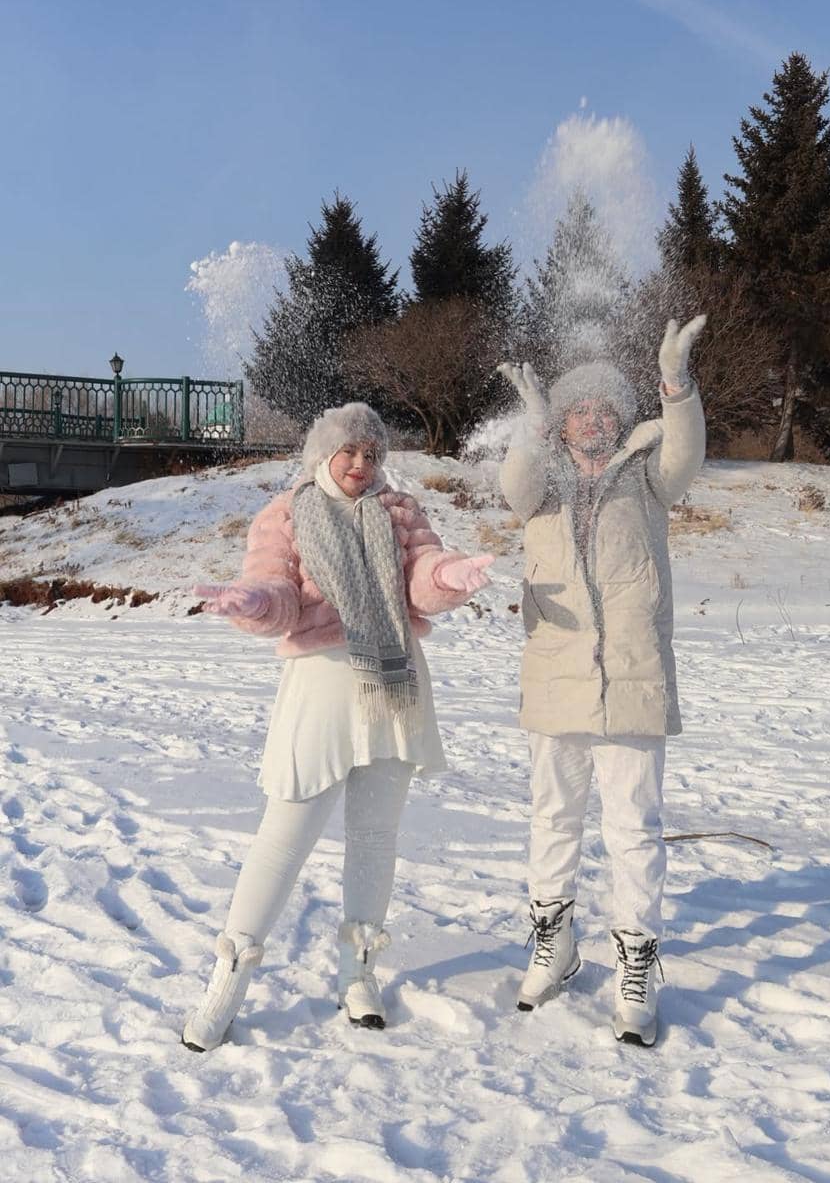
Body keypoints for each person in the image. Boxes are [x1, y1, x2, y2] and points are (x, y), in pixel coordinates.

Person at [182, 402, 493, 1051]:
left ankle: (358, 972)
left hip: (391, 687)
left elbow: (422, 577)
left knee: (375, 836)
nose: (361, 463)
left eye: (373, 454)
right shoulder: (287, 515)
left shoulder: (400, 512)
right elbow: (277, 591)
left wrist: (452, 577)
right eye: (349, 451)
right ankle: (228, 980)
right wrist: (251, 603)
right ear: (322, 455)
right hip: (321, 689)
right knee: (282, 838)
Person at [497, 316, 706, 1046]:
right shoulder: (543, 482)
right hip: (555, 679)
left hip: (632, 680)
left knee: (633, 832)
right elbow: (513, 487)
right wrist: (528, 424)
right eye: (577, 409)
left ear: (620, 420)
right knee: (553, 820)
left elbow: (685, 453)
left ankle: (636, 963)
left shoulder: (647, 474)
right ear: (561, 424)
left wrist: (675, 384)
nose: (592, 419)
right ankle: (553, 945)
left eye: (604, 409)